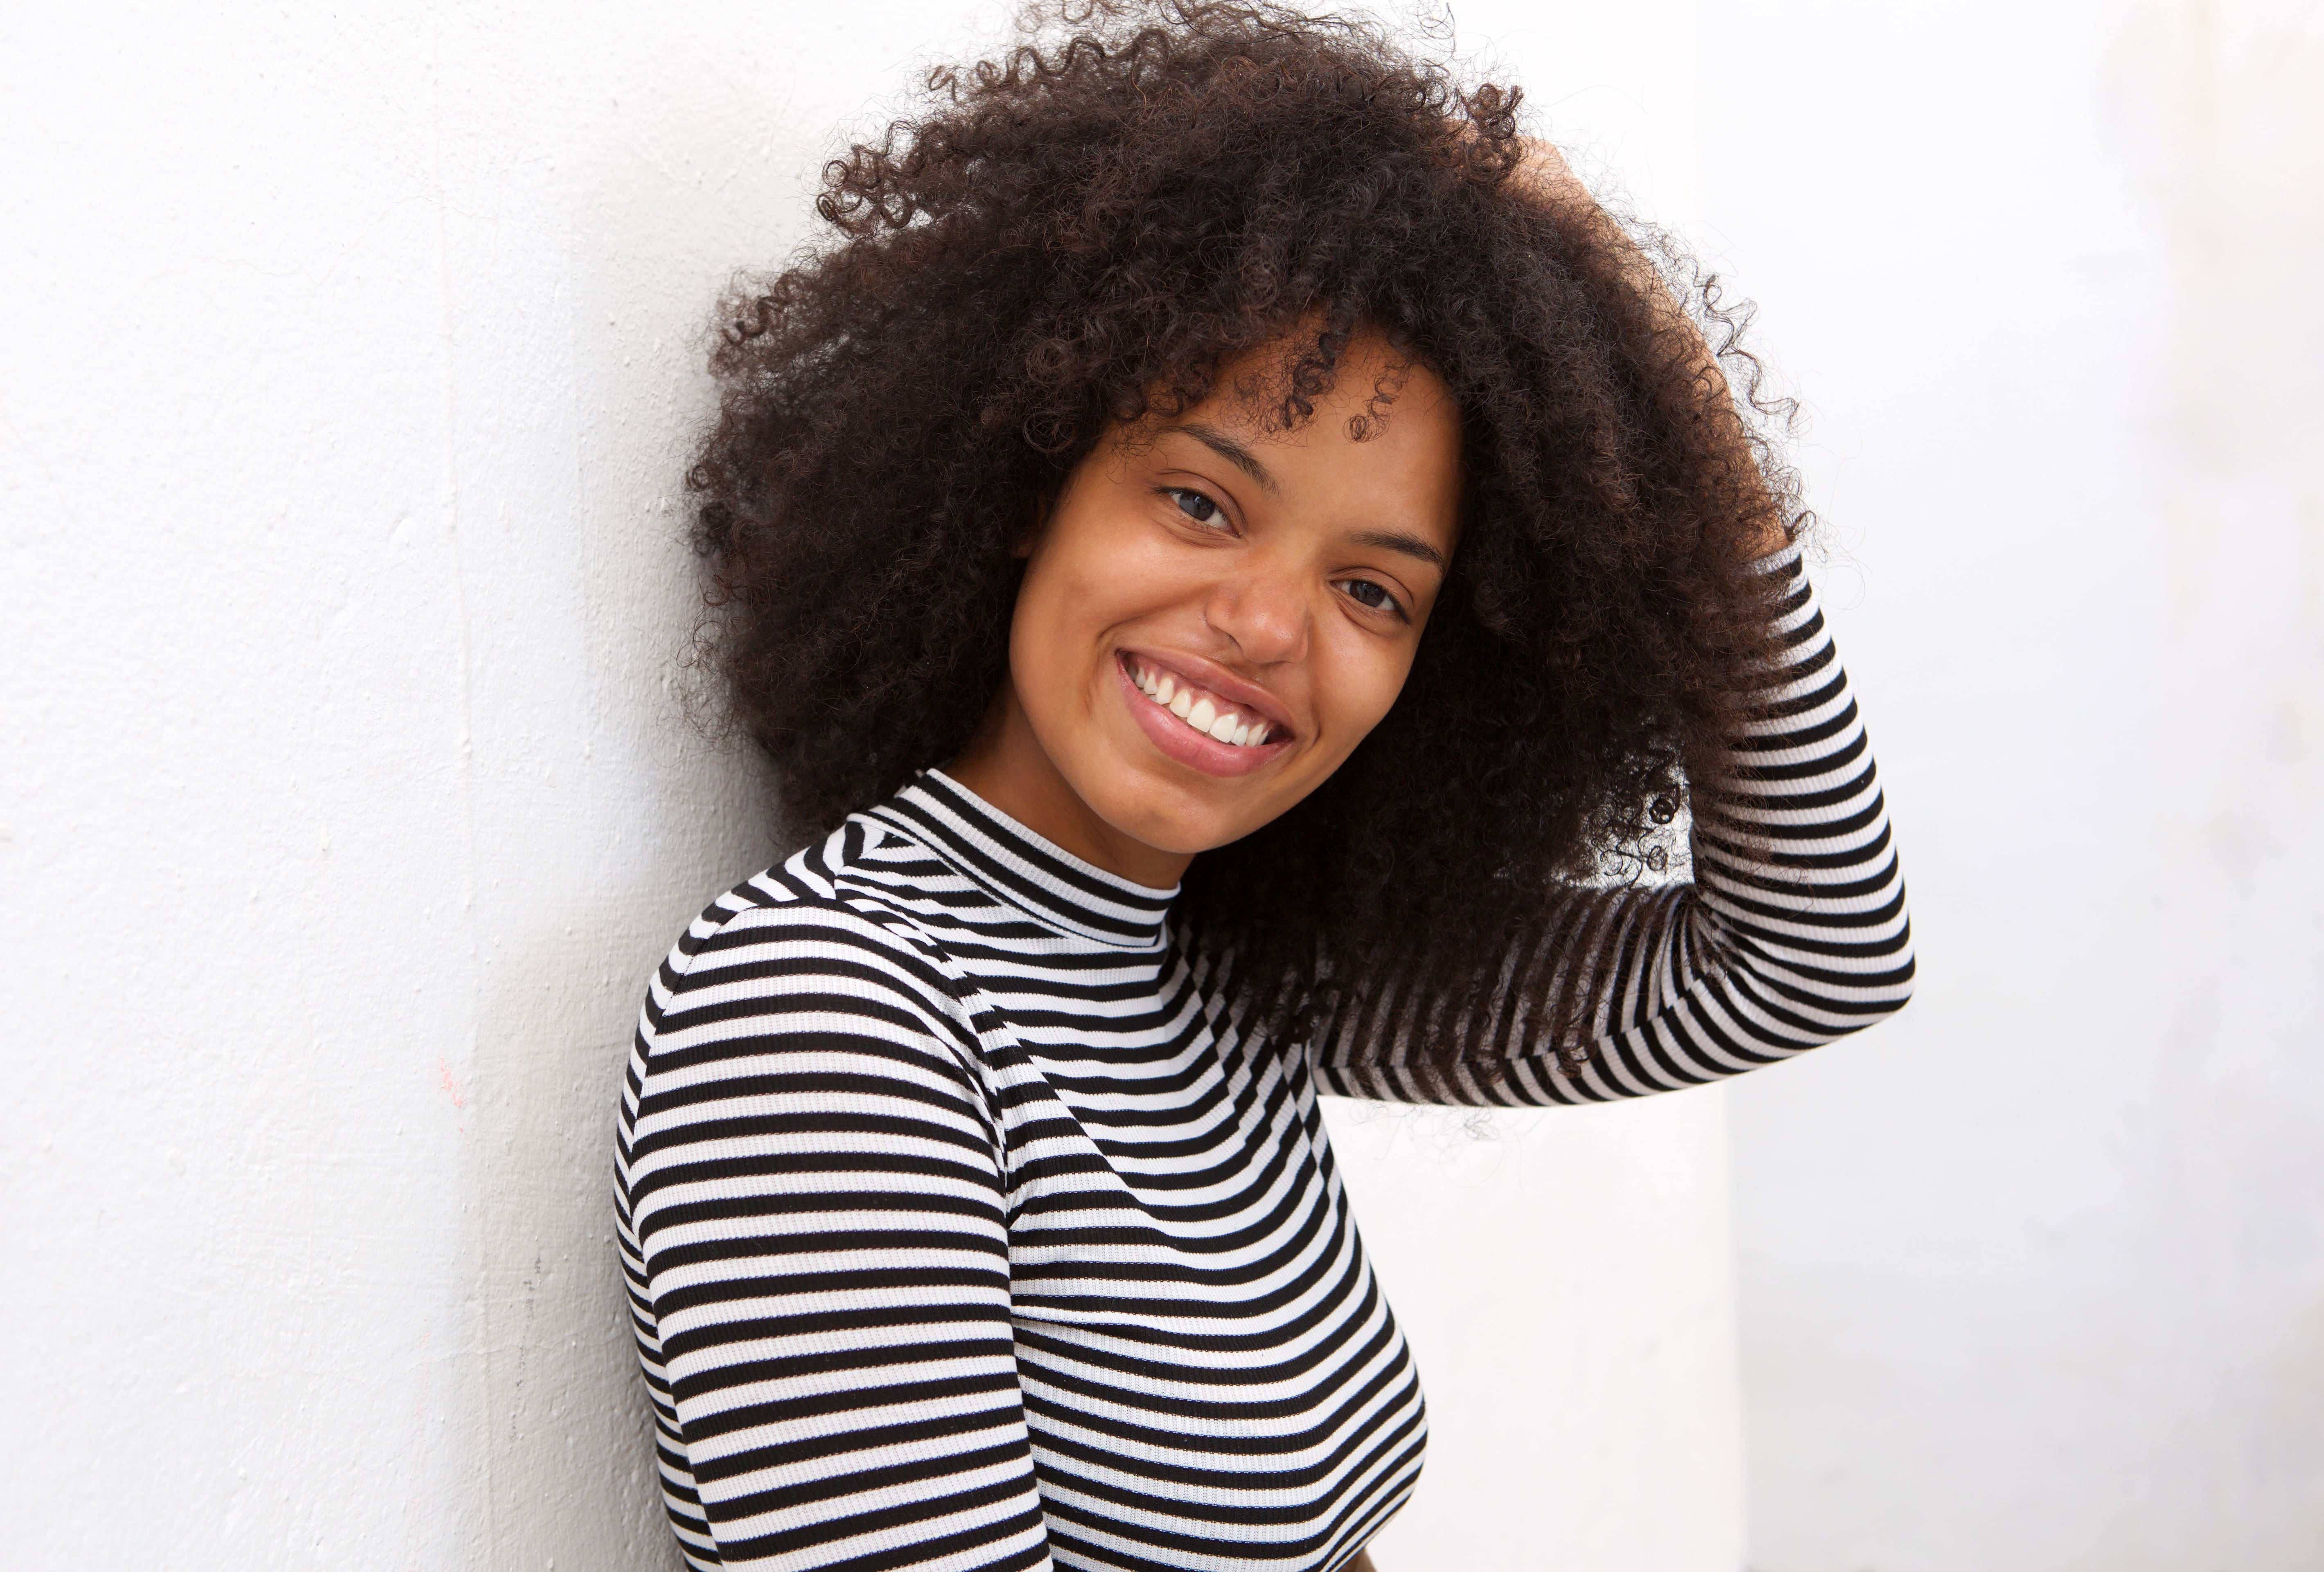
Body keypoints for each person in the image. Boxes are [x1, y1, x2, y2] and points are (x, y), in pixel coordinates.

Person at [611, 3, 1913, 1568]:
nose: (1265, 628)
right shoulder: (826, 1017)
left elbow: (1811, 957)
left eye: (1376, 592)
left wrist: (1683, 444)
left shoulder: (1231, 981)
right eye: (1199, 500)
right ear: (1031, 479)